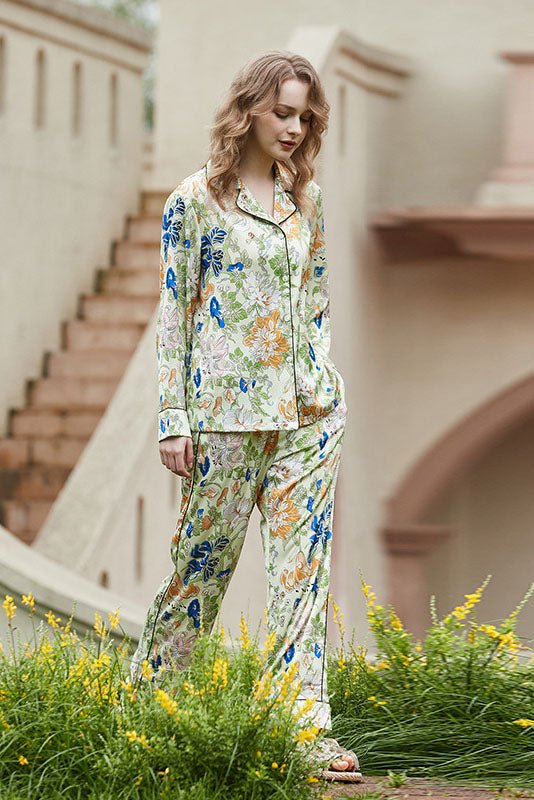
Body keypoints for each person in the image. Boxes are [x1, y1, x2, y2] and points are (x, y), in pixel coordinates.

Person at [129, 50, 363, 782]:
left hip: (308, 417)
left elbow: (316, 302)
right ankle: (145, 716)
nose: (294, 128)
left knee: (303, 579)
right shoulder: (195, 201)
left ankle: (304, 729)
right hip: (224, 418)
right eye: (282, 112)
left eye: (305, 117)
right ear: (249, 110)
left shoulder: (307, 202)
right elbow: (175, 313)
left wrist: (326, 384)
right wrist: (173, 418)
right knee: (199, 573)